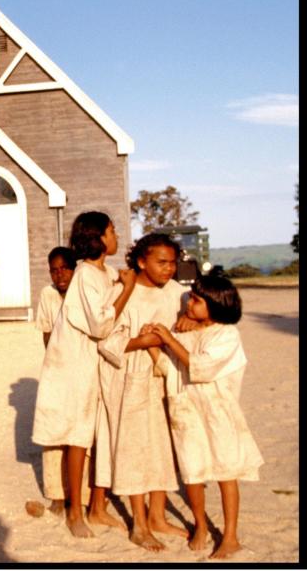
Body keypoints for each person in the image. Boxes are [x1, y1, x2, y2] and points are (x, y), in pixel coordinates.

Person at [144, 275, 264, 559]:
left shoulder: (226, 335)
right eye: (192, 298)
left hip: (219, 413)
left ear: (215, 306)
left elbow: (203, 367)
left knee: (226, 471)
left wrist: (170, 339)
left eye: (197, 301)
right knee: (192, 471)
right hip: (186, 409)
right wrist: (154, 345)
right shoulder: (186, 331)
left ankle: (231, 535)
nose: (190, 303)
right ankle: (200, 524)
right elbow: (171, 367)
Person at [31, 211, 136, 538]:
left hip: (92, 365)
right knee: (76, 438)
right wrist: (128, 288)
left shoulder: (102, 274)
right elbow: (101, 324)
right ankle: (75, 511)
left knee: (96, 435)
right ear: (99, 238)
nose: (116, 235)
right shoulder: (85, 276)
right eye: (112, 230)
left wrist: (119, 281)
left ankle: (97, 507)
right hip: (72, 368)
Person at [94, 234, 189, 550]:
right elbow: (104, 339)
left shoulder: (178, 294)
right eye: (162, 262)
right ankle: (139, 522)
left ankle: (158, 516)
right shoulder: (125, 292)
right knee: (136, 447)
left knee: (163, 445)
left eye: (173, 262)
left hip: (168, 377)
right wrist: (141, 342)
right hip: (131, 376)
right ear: (141, 261)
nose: (169, 269)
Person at [33, 247, 88, 515]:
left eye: (65, 268)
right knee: (54, 433)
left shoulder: (83, 294)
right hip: (56, 371)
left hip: (84, 370)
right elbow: (46, 333)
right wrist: (56, 366)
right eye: (54, 270)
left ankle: (83, 496)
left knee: (81, 433)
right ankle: (56, 495)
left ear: (75, 269)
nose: (60, 275)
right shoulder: (48, 295)